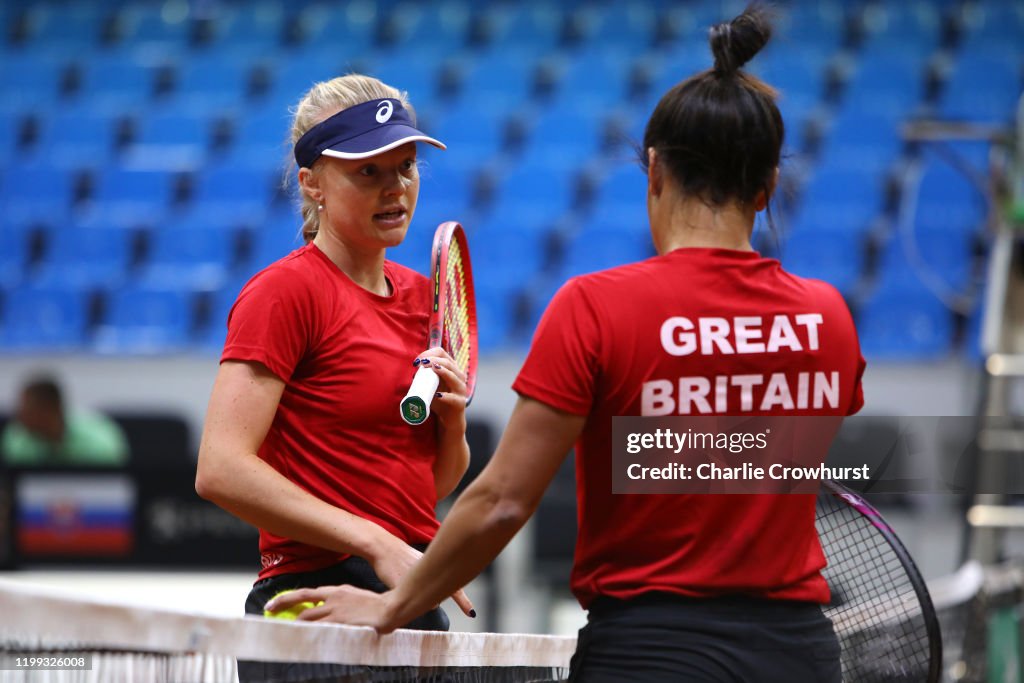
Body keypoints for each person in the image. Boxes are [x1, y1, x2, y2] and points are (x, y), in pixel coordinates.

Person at [266, 6, 866, 683]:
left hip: (652, 652)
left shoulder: (597, 307)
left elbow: (503, 501)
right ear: (768, 186)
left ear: (654, 171)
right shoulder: (829, 318)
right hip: (799, 654)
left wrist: (393, 605)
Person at [194, 74, 475, 658]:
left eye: (405, 166)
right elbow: (220, 468)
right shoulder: (285, 292)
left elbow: (425, 487)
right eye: (367, 171)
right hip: (311, 598)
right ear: (311, 183)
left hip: (408, 595)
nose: (394, 187)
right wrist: (377, 542)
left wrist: (452, 427)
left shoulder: (427, 298)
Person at [2, 374, 128, 467]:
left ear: (52, 409)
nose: (20, 416)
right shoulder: (16, 439)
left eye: (27, 411)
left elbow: (114, 484)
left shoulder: (98, 442)